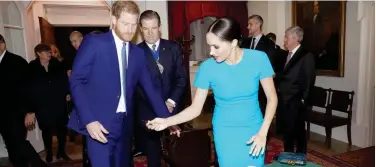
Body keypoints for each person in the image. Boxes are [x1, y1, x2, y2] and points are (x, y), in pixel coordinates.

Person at [146, 17, 278, 167]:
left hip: (255, 129)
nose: (210, 52)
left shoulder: (258, 59)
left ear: (233, 43)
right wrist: (166, 121)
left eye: (216, 47)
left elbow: (272, 98)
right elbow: (195, 108)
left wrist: (263, 132)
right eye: (209, 46)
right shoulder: (207, 67)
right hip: (225, 130)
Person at [67, 1, 175, 167]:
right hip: (98, 125)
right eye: (126, 24)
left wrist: (168, 121)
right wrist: (89, 120)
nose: (130, 30)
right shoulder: (94, 43)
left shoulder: (137, 53)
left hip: (124, 126)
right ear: (114, 20)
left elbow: (151, 90)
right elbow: (76, 81)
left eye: (134, 25)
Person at [133, 10, 187, 167]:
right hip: (148, 112)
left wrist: (170, 102)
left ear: (160, 27)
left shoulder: (173, 48)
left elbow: (181, 78)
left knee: (177, 152)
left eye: (153, 28)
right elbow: (137, 86)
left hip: (173, 110)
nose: (150, 33)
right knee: (153, 155)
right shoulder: (135, 52)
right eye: (146, 28)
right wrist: (157, 106)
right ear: (140, 29)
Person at [0, 34, 48, 167]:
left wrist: (30, 111)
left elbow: (29, 89)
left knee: (19, 142)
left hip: (17, 112)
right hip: (2, 114)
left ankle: (40, 165)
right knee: (10, 145)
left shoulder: (17, 62)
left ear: (2, 45)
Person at [26, 44, 71, 162]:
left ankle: (61, 151)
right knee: (46, 130)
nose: (49, 54)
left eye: (49, 52)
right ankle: (49, 152)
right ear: (39, 54)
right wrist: (31, 108)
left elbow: (64, 80)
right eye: (46, 52)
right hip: (42, 104)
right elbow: (29, 87)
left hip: (58, 101)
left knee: (62, 129)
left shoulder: (57, 64)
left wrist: (67, 92)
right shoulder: (32, 67)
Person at [275, 26, 316, 154]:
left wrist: (303, 101)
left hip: (296, 102)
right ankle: (287, 156)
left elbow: (309, 80)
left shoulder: (306, 55)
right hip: (283, 101)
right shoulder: (287, 55)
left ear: (295, 38)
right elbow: (285, 75)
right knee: (287, 133)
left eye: (286, 37)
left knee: (298, 133)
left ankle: (301, 157)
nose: (284, 40)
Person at [240, 15, 278, 117]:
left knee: (260, 114)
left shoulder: (268, 43)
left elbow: (268, 65)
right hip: (245, 86)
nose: (248, 27)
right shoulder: (245, 42)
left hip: (261, 87)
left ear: (258, 25)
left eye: (250, 24)